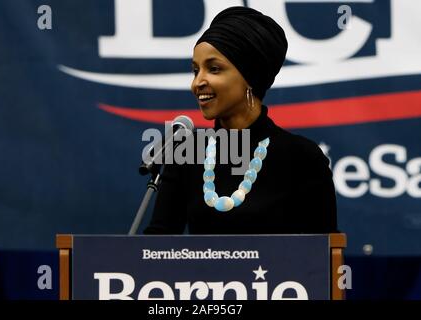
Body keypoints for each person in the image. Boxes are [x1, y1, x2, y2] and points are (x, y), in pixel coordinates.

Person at [144, 6, 337, 234]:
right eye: (196, 71)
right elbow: (155, 249)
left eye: (213, 69)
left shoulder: (301, 157)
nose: (197, 83)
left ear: (250, 76)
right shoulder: (187, 152)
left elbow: (321, 257)